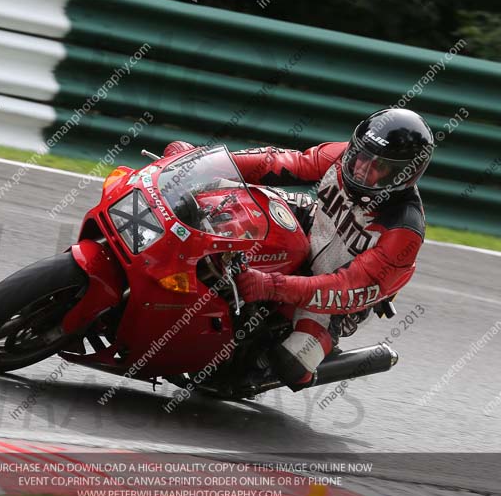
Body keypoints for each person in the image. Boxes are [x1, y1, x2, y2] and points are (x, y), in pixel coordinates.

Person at [164, 108, 433, 391]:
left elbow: (342, 288)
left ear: (405, 174)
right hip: (310, 226)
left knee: (293, 362)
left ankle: (276, 363)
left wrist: (271, 286)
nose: (362, 168)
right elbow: (279, 162)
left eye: (380, 166)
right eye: (362, 155)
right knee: (218, 197)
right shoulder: (344, 158)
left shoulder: (403, 232)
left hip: (339, 298)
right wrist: (196, 162)